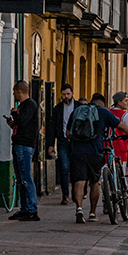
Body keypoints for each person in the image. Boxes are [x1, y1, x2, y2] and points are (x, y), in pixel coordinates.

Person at [69, 93, 128, 224]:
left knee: (80, 181)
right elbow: (120, 126)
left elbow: (68, 133)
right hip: (95, 151)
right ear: (102, 103)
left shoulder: (77, 111)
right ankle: (92, 212)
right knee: (94, 182)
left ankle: (79, 208)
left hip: (77, 151)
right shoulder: (103, 112)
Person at [6, 80, 40, 221]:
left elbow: (24, 121)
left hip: (25, 145)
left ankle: (32, 209)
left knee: (26, 177)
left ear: (20, 91)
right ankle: (24, 208)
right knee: (21, 179)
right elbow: (21, 124)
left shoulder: (30, 105)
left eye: (14, 91)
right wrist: (12, 124)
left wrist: (15, 114)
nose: (13, 94)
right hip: (19, 143)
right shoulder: (23, 106)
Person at [47, 83, 75, 205]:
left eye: (68, 94)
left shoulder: (78, 107)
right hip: (62, 141)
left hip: (76, 141)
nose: (66, 96)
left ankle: (77, 193)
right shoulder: (58, 108)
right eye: (64, 94)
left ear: (72, 94)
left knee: (75, 168)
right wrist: (51, 144)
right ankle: (65, 195)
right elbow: (52, 128)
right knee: (64, 167)